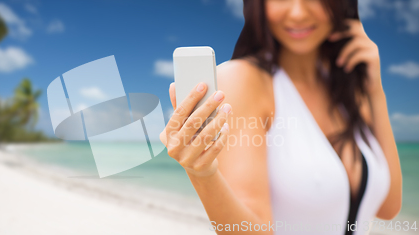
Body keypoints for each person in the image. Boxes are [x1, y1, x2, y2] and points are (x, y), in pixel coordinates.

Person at [160, 0, 402, 234]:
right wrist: (203, 174)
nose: (297, 13)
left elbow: (387, 207)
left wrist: (375, 92)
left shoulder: (347, 89)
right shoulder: (242, 81)